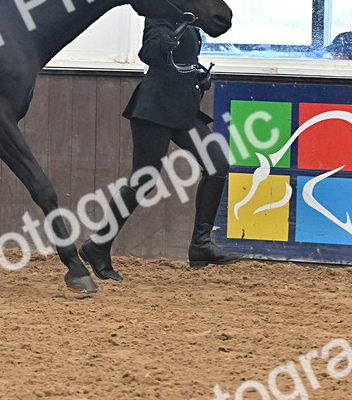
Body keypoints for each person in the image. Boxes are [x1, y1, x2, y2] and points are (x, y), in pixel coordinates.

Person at [79, 16, 244, 281]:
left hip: (183, 109)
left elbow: (180, 63)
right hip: (154, 108)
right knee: (144, 181)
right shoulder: (159, 14)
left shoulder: (191, 20)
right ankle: (98, 244)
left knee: (217, 164)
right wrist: (165, 42)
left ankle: (201, 245)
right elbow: (149, 54)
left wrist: (198, 75)